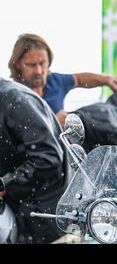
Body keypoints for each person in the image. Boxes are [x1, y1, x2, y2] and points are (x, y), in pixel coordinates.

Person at [8, 33, 117, 127]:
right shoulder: (11, 95)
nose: (39, 71)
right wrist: (53, 122)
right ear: (18, 64)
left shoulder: (55, 82)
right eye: (31, 65)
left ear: (49, 60)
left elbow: (79, 79)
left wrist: (107, 80)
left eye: (42, 63)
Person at [0, 77, 67, 243]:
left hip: (47, 218)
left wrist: (5, 183)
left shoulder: (13, 98)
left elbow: (47, 157)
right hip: (22, 215)